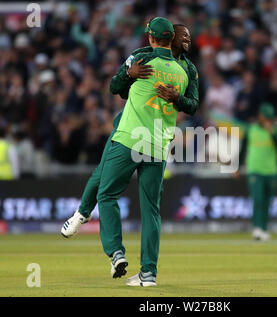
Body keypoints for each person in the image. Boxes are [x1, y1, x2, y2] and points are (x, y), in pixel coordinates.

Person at [66, 18, 193, 287]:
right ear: (171, 39)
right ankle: (148, 274)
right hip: (158, 145)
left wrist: (128, 75)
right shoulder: (183, 74)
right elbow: (190, 105)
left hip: (129, 139)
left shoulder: (141, 59)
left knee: (107, 193)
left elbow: (115, 88)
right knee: (151, 211)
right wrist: (176, 98)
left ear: (150, 37)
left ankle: (116, 252)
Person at [238, 103, 277, 241]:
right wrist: (237, 166)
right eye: (266, 117)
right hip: (255, 170)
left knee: (267, 201)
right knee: (258, 199)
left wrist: (272, 134)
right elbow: (243, 149)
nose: (268, 120)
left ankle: (264, 228)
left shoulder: (275, 130)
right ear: (260, 116)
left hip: (270, 171)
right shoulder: (251, 129)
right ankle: (257, 228)